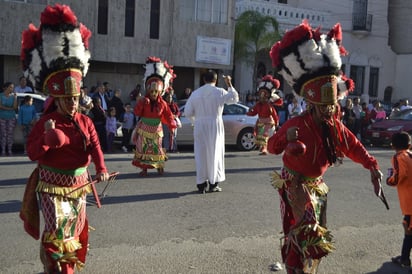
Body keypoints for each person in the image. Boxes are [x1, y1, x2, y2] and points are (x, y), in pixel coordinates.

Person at [268, 21, 385, 273]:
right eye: (324, 107)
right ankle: (294, 268)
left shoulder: (333, 125)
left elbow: (353, 145)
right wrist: (286, 138)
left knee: (312, 236)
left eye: (331, 107)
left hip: (317, 185)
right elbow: (270, 147)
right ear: (312, 104)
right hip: (295, 183)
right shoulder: (298, 123)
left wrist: (372, 165)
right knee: (307, 233)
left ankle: (303, 270)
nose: (329, 111)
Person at [19, 4, 110, 273]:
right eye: (67, 99)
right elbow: (32, 153)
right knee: (57, 234)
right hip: (51, 187)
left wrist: (102, 168)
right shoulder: (46, 122)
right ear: (57, 97)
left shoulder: (85, 121)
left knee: (76, 230)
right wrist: (47, 138)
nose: (72, 103)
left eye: (75, 98)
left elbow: (94, 145)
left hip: (79, 185)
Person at [184, 70, 239, 193]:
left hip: (200, 125)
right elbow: (234, 99)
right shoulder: (219, 92)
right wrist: (229, 84)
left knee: (201, 153)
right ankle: (214, 184)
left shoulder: (195, 93)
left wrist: (195, 121)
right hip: (215, 124)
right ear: (216, 80)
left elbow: (187, 112)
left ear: (204, 80)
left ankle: (201, 184)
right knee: (215, 153)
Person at [132, 56, 177, 176]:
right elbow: (136, 113)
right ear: (148, 90)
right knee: (143, 149)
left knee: (157, 149)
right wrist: (141, 103)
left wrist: (172, 127)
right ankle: (144, 169)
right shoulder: (143, 101)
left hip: (157, 130)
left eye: (155, 92)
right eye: (151, 92)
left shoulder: (162, 103)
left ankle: (159, 167)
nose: (153, 94)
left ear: (159, 92)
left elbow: (168, 116)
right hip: (144, 128)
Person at [386, 131, 412, 269]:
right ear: (409, 145)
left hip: (409, 201)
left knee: (408, 228)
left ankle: (405, 258)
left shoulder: (399, 157)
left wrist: (389, 181)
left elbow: (399, 176)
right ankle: (404, 257)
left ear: (392, 146)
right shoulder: (410, 155)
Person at [246, 75, 280, 155]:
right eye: (261, 95)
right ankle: (263, 147)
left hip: (268, 122)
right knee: (260, 135)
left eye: (264, 96)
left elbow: (274, 114)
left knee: (265, 135)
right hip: (261, 122)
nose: (262, 98)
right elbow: (254, 112)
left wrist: (276, 122)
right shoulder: (258, 105)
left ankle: (265, 148)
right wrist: (249, 112)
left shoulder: (269, 105)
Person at [0, 82, 18, 156]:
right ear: (6, 88)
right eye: (10, 87)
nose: (12, 89)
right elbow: (0, 106)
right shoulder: (1, 95)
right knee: (3, 134)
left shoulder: (13, 96)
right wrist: (9, 109)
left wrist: (15, 98)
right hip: (2, 117)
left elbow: (15, 107)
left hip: (11, 117)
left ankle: (10, 150)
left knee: (10, 134)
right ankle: (3, 150)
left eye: (12, 87)